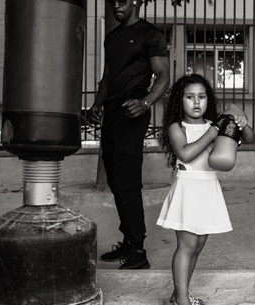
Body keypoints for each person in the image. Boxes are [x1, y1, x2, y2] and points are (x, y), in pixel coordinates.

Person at [157, 74, 254, 305]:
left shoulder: (215, 124)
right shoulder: (177, 127)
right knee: (187, 245)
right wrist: (214, 131)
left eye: (201, 96)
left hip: (209, 188)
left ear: (208, 99)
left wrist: (241, 121)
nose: (197, 102)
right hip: (188, 188)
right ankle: (182, 300)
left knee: (198, 245)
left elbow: (249, 138)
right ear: (180, 101)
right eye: (190, 97)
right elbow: (186, 153)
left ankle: (177, 295)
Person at [89, 0, 170, 269]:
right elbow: (108, 76)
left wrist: (145, 102)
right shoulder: (112, 37)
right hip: (111, 113)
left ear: (135, 1)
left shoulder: (150, 34)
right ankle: (128, 241)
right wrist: (97, 104)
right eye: (114, 2)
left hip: (133, 112)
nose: (117, 6)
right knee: (114, 178)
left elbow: (163, 76)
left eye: (123, 1)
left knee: (127, 180)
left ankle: (138, 251)